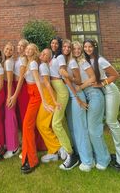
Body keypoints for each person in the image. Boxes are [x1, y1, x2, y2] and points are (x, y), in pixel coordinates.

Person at [83, 39, 120, 172]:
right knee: (110, 122)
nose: (87, 49)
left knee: (112, 122)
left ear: (95, 47)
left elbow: (115, 75)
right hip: (102, 93)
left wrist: (101, 84)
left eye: (90, 47)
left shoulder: (100, 60)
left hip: (110, 92)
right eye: (85, 47)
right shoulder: (87, 61)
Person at [75, 40, 111, 170]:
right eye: (77, 48)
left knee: (94, 129)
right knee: (92, 129)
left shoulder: (83, 62)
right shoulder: (79, 62)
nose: (78, 51)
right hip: (89, 97)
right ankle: (100, 156)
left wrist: (80, 88)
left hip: (95, 95)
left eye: (80, 48)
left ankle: (104, 159)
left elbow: (94, 79)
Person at [62, 40, 94, 172]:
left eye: (77, 48)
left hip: (77, 96)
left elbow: (81, 80)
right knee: (73, 128)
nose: (75, 50)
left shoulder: (76, 62)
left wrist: (78, 86)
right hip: (71, 96)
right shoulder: (68, 60)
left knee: (81, 129)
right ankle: (80, 155)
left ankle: (88, 161)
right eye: (73, 48)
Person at [21, 43, 52, 174]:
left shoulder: (33, 63)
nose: (28, 50)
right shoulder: (27, 62)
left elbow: (38, 82)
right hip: (31, 94)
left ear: (35, 52)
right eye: (27, 48)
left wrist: (44, 101)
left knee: (27, 126)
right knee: (28, 126)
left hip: (36, 95)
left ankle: (32, 160)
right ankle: (28, 154)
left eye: (31, 49)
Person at [49, 36, 79, 170]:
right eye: (53, 43)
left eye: (57, 43)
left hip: (60, 89)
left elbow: (62, 71)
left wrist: (71, 77)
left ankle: (71, 154)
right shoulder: (54, 57)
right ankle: (71, 147)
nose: (55, 45)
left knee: (56, 123)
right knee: (62, 122)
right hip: (56, 88)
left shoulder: (60, 57)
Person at [36, 48, 61, 163]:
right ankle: (54, 151)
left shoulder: (43, 66)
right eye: (42, 52)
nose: (42, 54)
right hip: (47, 97)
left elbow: (47, 83)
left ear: (49, 58)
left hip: (49, 97)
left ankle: (57, 148)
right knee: (45, 124)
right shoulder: (42, 65)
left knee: (41, 124)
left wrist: (53, 100)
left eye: (46, 54)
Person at [3, 42, 20, 159]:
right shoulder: (7, 61)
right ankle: (9, 143)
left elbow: (9, 80)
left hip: (9, 89)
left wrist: (9, 96)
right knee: (8, 118)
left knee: (10, 119)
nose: (8, 51)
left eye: (10, 50)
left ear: (12, 52)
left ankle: (13, 147)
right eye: (7, 49)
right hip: (6, 89)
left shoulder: (9, 62)